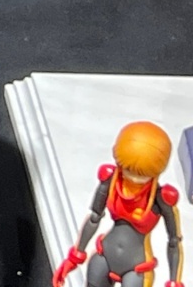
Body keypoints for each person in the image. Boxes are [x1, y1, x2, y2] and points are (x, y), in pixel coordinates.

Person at [53, 121, 183, 287]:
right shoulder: (111, 180)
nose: (134, 178)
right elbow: (94, 217)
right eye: (129, 170)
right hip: (104, 255)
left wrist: (174, 281)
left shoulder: (161, 198)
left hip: (137, 268)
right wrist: (75, 256)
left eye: (142, 174)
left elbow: (174, 242)